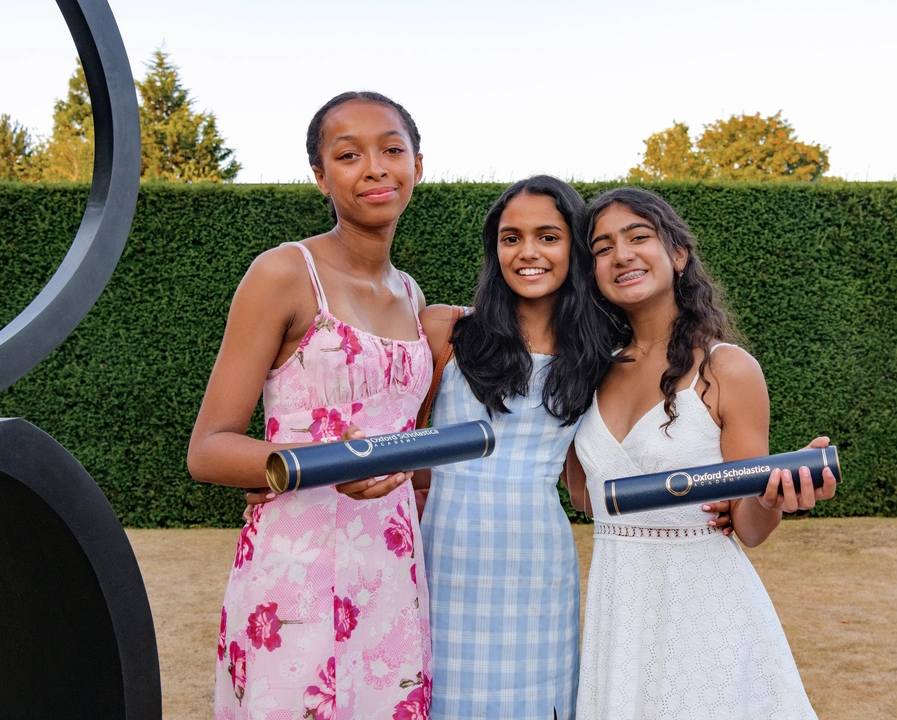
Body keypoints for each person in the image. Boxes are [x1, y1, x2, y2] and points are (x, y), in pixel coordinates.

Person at [188, 91, 433, 719]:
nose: (375, 168)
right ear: (321, 177)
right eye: (348, 155)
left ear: (418, 165)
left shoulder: (411, 293)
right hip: (295, 574)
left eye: (392, 149)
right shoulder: (283, 275)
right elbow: (210, 448)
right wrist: (324, 461)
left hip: (392, 571)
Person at [569, 187, 836, 719]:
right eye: (601, 247)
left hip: (706, 609)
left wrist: (774, 496)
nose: (621, 254)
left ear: (678, 253)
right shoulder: (586, 371)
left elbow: (750, 528)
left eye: (638, 236)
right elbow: (584, 500)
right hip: (618, 608)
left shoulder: (727, 369)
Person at [415, 176, 612, 720]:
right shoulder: (446, 331)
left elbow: (585, 489)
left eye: (548, 236)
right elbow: (403, 454)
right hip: (444, 557)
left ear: (574, 246)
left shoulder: (595, 358)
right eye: (510, 238)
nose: (527, 252)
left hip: (539, 566)